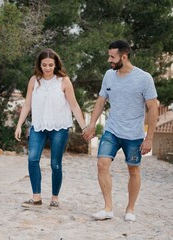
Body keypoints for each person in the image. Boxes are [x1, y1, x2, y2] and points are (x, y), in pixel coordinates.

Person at [83, 40, 158, 221]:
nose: (109, 60)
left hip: (134, 134)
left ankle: (130, 209)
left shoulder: (144, 78)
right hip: (112, 130)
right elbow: (101, 101)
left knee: (133, 170)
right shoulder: (109, 75)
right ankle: (108, 207)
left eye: (112, 57)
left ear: (124, 56)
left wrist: (149, 139)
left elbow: (153, 108)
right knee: (102, 165)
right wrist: (92, 123)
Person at [15, 48, 86, 208]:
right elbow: (27, 104)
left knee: (56, 164)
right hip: (38, 126)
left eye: (50, 65)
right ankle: (36, 197)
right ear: (39, 65)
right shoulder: (34, 80)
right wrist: (19, 124)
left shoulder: (64, 81)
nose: (47, 68)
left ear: (56, 65)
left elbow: (74, 105)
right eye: (44, 65)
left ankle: (55, 198)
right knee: (32, 159)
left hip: (59, 127)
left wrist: (84, 127)